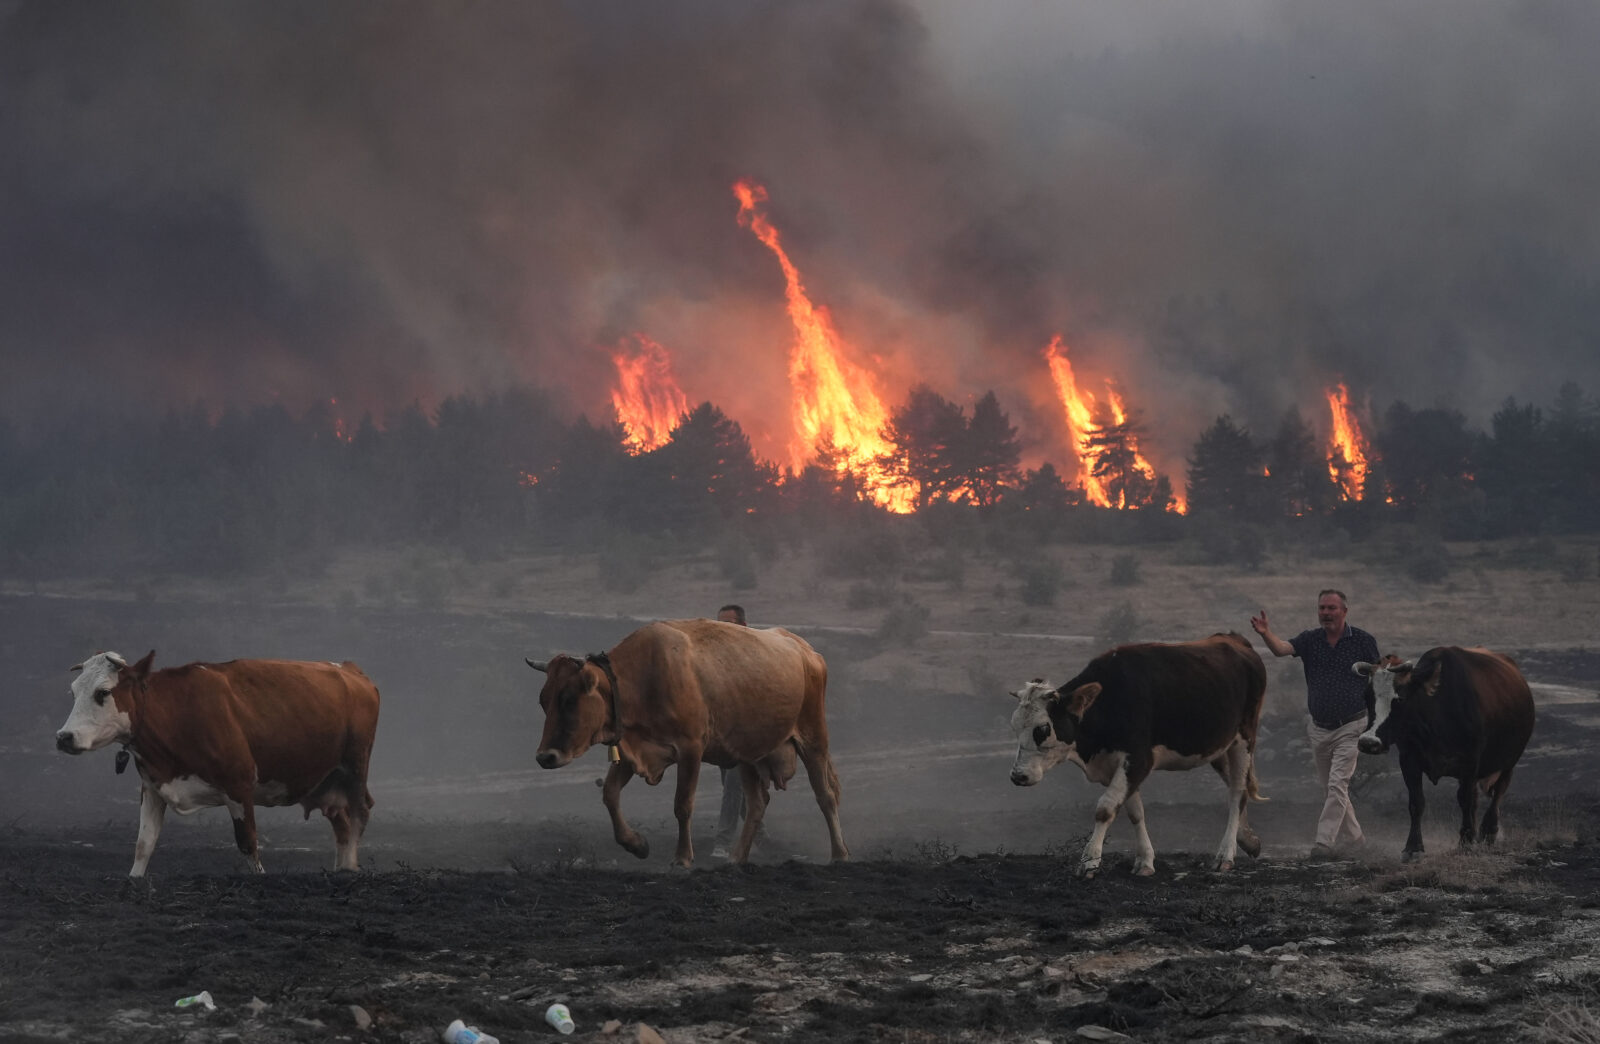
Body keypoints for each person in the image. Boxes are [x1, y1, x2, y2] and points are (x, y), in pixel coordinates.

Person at [1251, 589, 1380, 859]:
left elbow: (1377, 680)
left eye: (1332, 608)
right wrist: (1265, 633)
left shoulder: (1364, 642)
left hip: (1352, 725)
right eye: (1322, 608)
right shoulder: (1311, 640)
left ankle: (1323, 844)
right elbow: (1281, 650)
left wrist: (1376, 723)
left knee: (1336, 785)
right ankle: (1356, 839)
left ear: (1344, 611)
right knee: (1332, 789)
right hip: (1319, 728)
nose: (1326, 613)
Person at [711, 604, 758, 859]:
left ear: (743, 626)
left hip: (747, 734)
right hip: (723, 734)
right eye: (719, 624)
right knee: (735, 788)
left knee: (733, 785)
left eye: (728, 623)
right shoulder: (719, 659)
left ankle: (722, 842)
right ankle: (761, 836)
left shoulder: (753, 656)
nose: (722, 629)